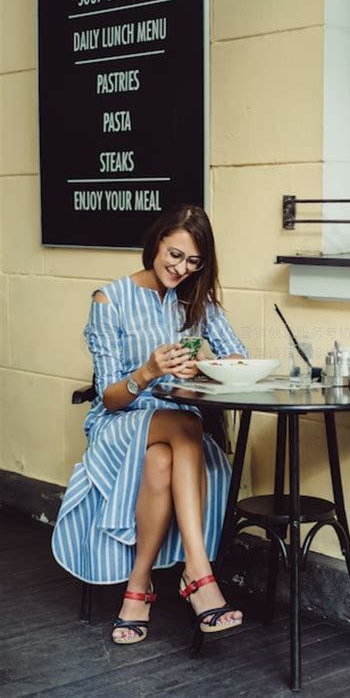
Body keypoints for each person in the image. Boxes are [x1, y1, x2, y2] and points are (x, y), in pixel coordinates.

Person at [52, 204, 247, 645]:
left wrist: (206, 362)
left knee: (162, 458)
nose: (180, 269)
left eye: (193, 262)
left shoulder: (197, 302)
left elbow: (239, 358)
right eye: (174, 254)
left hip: (176, 438)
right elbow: (108, 395)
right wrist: (148, 371)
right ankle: (199, 574)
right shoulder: (110, 299)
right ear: (156, 242)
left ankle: (137, 590)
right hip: (118, 426)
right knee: (185, 427)